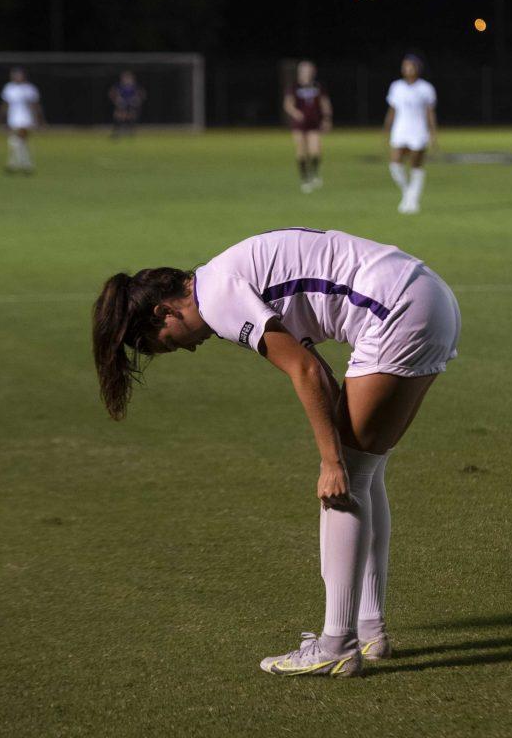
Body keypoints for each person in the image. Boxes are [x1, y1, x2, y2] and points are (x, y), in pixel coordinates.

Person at [91, 228, 461, 677]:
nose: (186, 349)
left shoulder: (217, 299)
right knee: (366, 470)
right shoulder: (218, 280)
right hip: (427, 296)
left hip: (395, 310)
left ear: (164, 310)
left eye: (169, 341)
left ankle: (336, 645)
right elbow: (318, 373)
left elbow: (303, 370)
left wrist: (330, 462)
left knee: (345, 482)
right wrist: (337, 455)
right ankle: (369, 632)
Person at [384, 55, 437, 215]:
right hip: (400, 129)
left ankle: (413, 200)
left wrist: (433, 133)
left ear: (417, 69)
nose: (407, 69)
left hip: (418, 130)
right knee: (395, 163)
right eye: (405, 66)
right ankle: (408, 193)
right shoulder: (396, 86)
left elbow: (430, 113)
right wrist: (387, 128)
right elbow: (392, 109)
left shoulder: (426, 88)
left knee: (416, 165)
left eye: (410, 66)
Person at [283, 61, 332, 192]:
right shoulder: (294, 87)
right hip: (299, 124)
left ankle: (314, 173)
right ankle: (305, 179)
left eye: (309, 70)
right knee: (301, 150)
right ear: (300, 72)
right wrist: (296, 113)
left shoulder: (317, 86)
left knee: (315, 151)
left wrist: (326, 119)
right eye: (305, 70)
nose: (307, 72)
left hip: (314, 122)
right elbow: (288, 104)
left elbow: (324, 103)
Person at [0, 68, 43, 174]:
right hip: (13, 117)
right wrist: (1, 118)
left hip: (26, 117)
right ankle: (25, 164)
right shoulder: (9, 88)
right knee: (18, 141)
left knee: (18, 139)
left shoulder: (29, 88)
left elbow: (35, 105)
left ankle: (15, 164)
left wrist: (38, 119)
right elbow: (5, 104)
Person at [109, 71, 146, 139]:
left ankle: (130, 132)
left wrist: (137, 99)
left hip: (131, 104)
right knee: (119, 116)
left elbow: (141, 94)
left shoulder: (134, 86)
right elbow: (112, 93)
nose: (127, 79)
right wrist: (117, 99)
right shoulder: (119, 86)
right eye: (125, 78)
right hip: (122, 104)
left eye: (128, 78)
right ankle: (116, 132)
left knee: (131, 116)